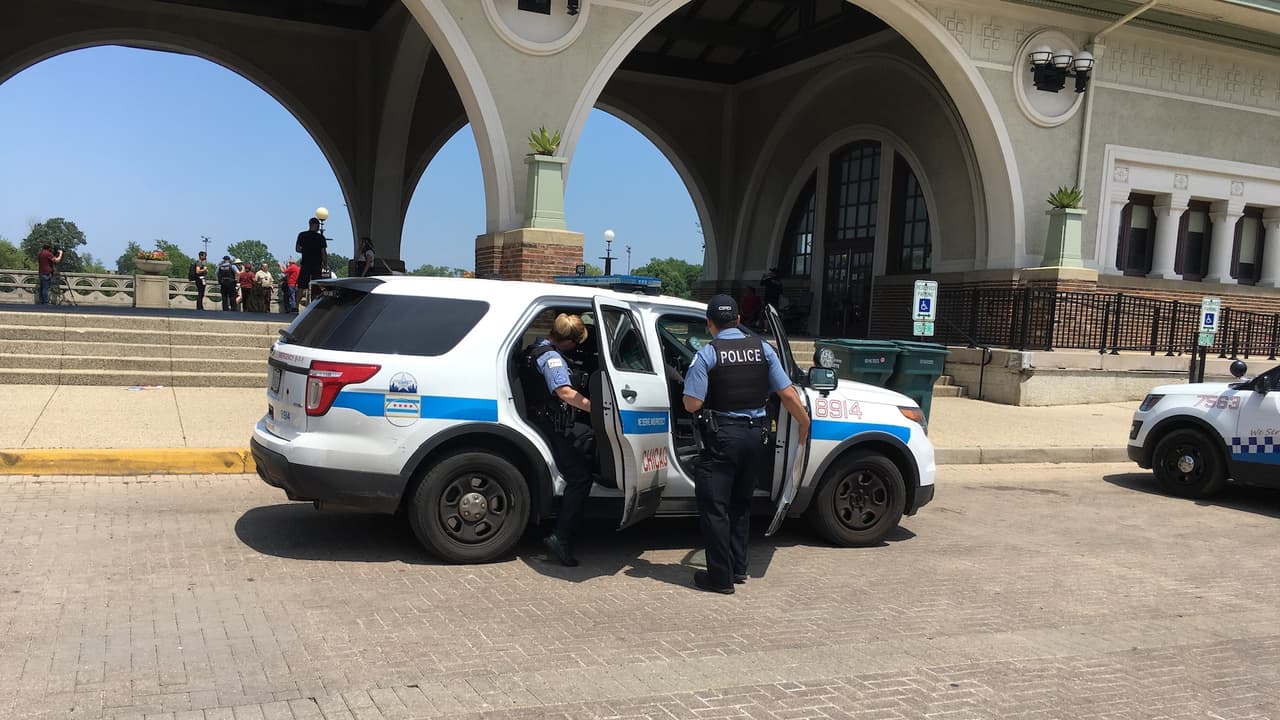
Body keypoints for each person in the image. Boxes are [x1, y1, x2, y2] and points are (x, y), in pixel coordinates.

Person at [682, 294, 810, 594]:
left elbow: (692, 404)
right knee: (741, 505)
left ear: (709, 324)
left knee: (716, 508)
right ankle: (739, 567)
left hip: (723, 437)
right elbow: (788, 394)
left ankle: (720, 578)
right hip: (756, 437)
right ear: (739, 320)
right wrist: (804, 423)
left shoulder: (707, 354)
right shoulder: (763, 349)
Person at [521, 313, 593, 567]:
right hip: (553, 425)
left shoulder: (535, 348)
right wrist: (596, 408)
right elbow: (563, 391)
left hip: (540, 420)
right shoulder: (552, 358)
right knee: (580, 478)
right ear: (569, 341)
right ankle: (560, 538)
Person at [295, 217, 327, 305]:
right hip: (317, 264)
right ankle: (313, 307)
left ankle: (295, 306)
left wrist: (305, 251)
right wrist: (325, 263)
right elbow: (323, 252)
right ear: (315, 225)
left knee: (301, 286)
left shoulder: (302, 235)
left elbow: (297, 249)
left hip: (305, 263)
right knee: (316, 287)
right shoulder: (320, 237)